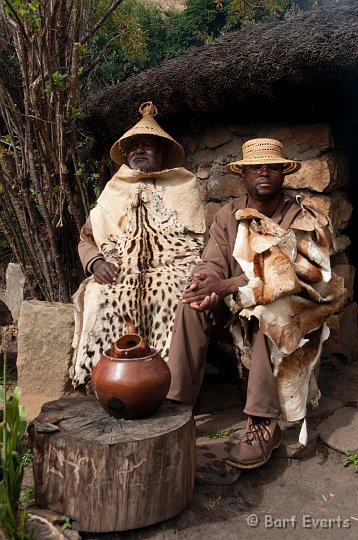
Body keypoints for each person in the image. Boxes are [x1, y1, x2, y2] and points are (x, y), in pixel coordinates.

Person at [166, 138, 345, 469]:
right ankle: (176, 410)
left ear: (283, 174)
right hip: (236, 308)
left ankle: (263, 423)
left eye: (272, 168)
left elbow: (293, 276)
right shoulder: (227, 216)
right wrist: (206, 285)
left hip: (290, 312)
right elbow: (213, 261)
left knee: (267, 312)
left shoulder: (302, 218)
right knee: (191, 306)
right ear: (243, 176)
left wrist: (230, 284)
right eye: (256, 168)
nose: (264, 173)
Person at [70, 102, 206, 388]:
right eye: (133, 147)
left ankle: (169, 385)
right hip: (120, 271)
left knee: (180, 299)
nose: (139, 151)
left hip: (174, 270)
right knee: (97, 296)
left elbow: (198, 241)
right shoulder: (113, 189)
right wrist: (96, 263)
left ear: (161, 152)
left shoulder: (185, 185)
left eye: (146, 146)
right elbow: (87, 238)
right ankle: (104, 383)